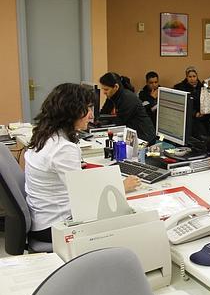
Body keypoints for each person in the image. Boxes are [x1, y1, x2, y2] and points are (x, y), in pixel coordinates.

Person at [25, 83, 141, 243]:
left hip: (41, 217)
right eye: (88, 109)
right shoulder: (63, 148)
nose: (91, 115)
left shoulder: (45, 134)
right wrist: (122, 187)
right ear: (71, 112)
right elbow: (85, 199)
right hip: (54, 226)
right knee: (132, 218)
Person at [99, 72, 156, 144]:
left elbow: (119, 122)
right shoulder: (114, 96)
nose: (104, 92)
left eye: (106, 89)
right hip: (133, 135)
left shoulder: (127, 99)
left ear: (116, 87)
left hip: (144, 137)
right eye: (103, 89)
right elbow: (105, 112)